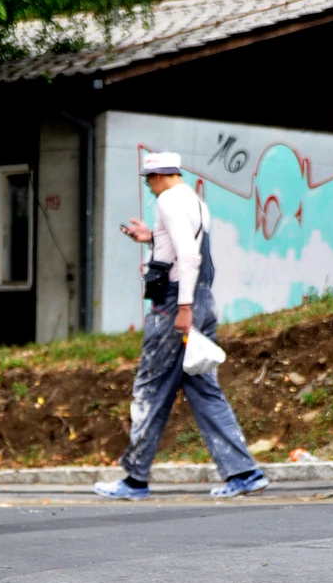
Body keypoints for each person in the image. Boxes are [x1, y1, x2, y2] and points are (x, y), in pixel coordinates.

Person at [94, 151, 268, 501]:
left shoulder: (169, 201)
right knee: (203, 388)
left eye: (148, 181)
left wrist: (183, 308)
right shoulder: (195, 201)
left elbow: (188, 257)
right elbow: (183, 247)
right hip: (202, 298)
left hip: (176, 303)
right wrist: (152, 239)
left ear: (158, 176)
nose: (149, 187)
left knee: (150, 386)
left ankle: (134, 480)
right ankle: (245, 473)